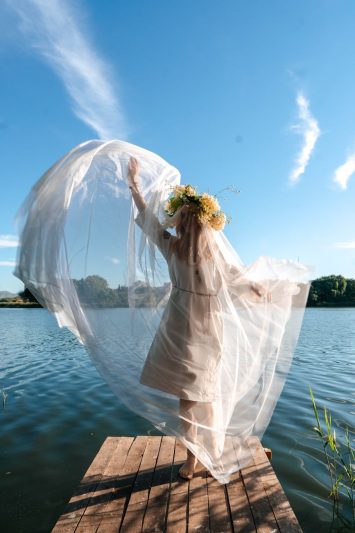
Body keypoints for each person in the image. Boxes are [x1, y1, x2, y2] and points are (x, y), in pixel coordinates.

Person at [127, 156, 266, 479]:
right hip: (208, 326)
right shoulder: (216, 256)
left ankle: (193, 463)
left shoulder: (171, 247)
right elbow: (241, 281)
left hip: (178, 325)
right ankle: (209, 455)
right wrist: (259, 288)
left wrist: (134, 183)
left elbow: (147, 218)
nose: (173, 220)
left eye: (177, 217)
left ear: (182, 222)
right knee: (207, 394)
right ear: (205, 223)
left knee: (187, 401)